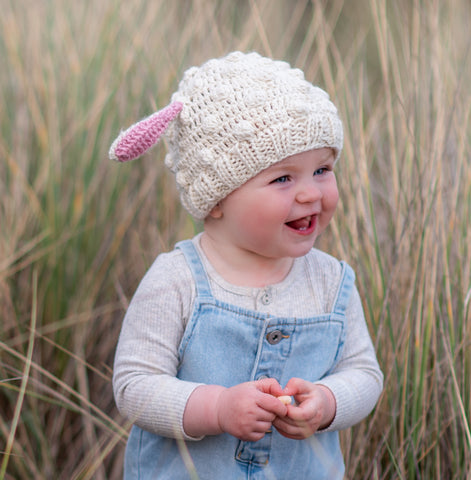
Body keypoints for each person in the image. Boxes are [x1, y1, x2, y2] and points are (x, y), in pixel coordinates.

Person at [110, 51, 383, 479]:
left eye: (323, 170)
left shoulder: (332, 281)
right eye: (283, 178)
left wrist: (328, 402)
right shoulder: (177, 279)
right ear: (216, 199)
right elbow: (135, 386)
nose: (312, 193)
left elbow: (364, 373)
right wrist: (216, 408)